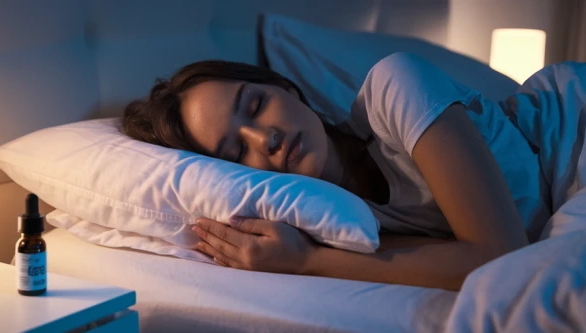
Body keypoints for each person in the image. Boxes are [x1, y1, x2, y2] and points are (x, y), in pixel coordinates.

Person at [121, 52, 543, 291]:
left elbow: (499, 260)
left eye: (256, 105)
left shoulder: (396, 87)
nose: (264, 137)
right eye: (235, 151)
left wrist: (308, 262)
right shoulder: (335, 226)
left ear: (284, 88)